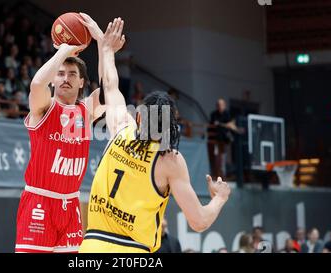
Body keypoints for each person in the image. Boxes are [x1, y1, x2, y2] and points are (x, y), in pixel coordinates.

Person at [79, 18, 230, 253]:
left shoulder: (122, 127)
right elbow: (199, 221)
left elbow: (110, 86)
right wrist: (219, 198)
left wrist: (106, 49)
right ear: (172, 126)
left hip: (91, 247)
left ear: (139, 117)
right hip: (133, 250)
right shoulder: (170, 160)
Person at [14, 13, 113, 253]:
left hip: (71, 205)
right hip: (39, 202)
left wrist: (102, 42)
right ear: (53, 80)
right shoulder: (44, 108)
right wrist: (65, 50)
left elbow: (110, 89)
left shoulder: (86, 111)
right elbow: (37, 84)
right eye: (60, 74)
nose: (65, 79)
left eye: (72, 75)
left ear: (81, 83)